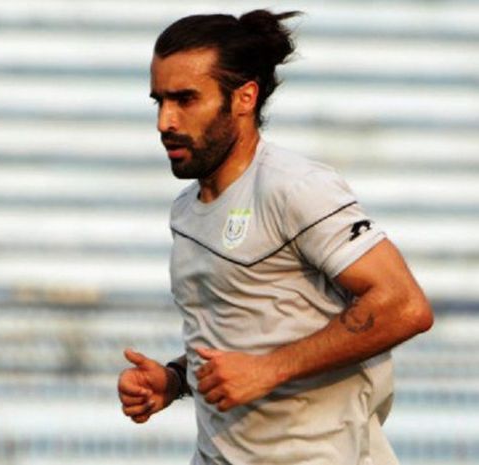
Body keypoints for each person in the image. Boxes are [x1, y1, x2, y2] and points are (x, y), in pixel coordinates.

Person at [116, 9, 433, 465]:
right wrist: (174, 380)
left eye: (185, 99)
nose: (165, 121)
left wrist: (270, 370)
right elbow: (245, 335)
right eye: (159, 101)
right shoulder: (187, 210)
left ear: (244, 98)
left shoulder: (294, 188)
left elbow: (404, 306)